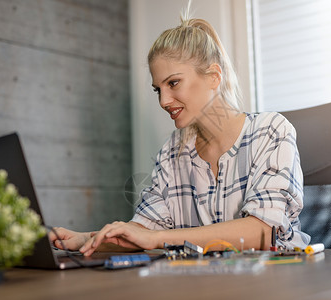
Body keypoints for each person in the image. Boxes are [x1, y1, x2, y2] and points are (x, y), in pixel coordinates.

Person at [49, 11, 311, 256]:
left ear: (213, 77)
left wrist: (160, 238)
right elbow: (144, 230)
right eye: (157, 89)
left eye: (173, 83)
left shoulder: (271, 131)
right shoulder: (172, 152)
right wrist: (88, 240)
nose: (164, 100)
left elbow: (263, 233)